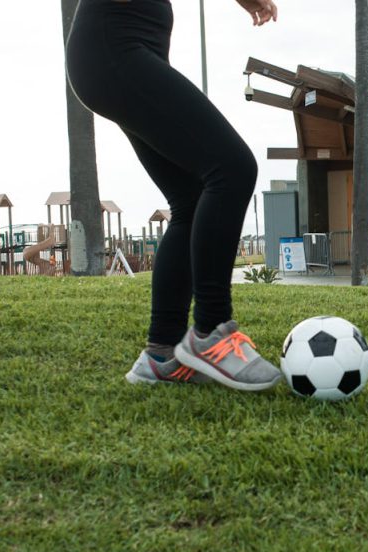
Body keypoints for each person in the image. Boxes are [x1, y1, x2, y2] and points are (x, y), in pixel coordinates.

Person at [66, 0, 283, 392]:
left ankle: (161, 355)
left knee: (191, 197)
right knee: (233, 168)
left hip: (122, 50)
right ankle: (211, 332)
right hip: (114, 47)